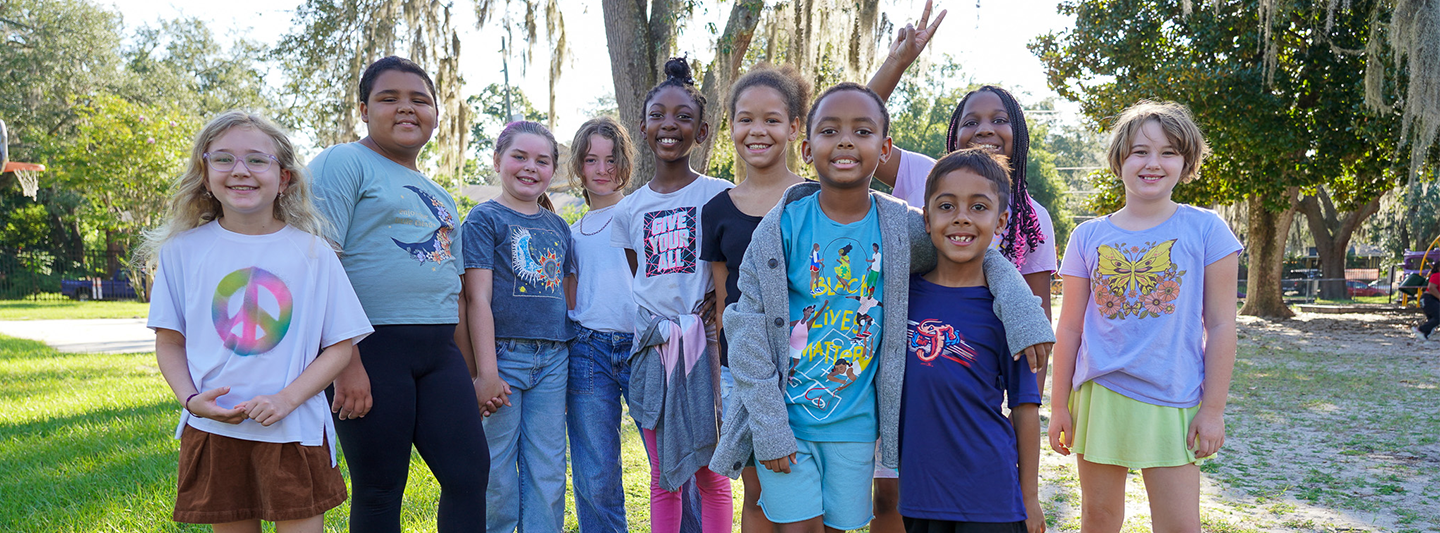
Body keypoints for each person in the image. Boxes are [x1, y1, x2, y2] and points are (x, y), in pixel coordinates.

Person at [709, 82, 1053, 533]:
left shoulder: (902, 227)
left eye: (862, 130)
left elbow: (973, 249)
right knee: (799, 528)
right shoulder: (780, 229)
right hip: (786, 419)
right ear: (808, 148)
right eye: (831, 130)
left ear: (884, 147)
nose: (847, 140)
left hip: (855, 425)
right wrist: (769, 424)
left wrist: (1022, 310)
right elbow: (745, 325)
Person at [144, 110, 374, 533]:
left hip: (293, 429)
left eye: (257, 159)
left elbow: (340, 345)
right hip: (214, 428)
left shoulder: (313, 253)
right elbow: (169, 340)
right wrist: (192, 400)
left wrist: (287, 399)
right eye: (224, 159)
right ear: (205, 171)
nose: (240, 171)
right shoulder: (182, 251)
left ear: (284, 177)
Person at [310, 56, 489, 533]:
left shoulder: (439, 192)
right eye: (389, 98)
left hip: (439, 355)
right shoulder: (342, 162)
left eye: (420, 100)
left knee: (470, 475)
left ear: (435, 113)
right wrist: (345, 361)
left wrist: (469, 373)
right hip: (370, 349)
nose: (406, 109)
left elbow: (453, 292)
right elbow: (319, 264)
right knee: (381, 489)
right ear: (364, 109)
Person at [1048, 101, 1240, 533]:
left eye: (1169, 152)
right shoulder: (1088, 236)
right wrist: (1058, 404)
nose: (1153, 163)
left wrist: (1213, 411)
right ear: (1119, 160)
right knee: (1098, 519)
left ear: (1186, 162)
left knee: (1178, 525)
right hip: (1101, 395)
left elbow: (1223, 325)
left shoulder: (1208, 230)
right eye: (1139, 151)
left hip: (1173, 397)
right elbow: (1071, 327)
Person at [611, 57, 734, 533]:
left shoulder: (719, 195)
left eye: (684, 117)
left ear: (701, 132)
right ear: (643, 127)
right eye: (659, 114)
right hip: (654, 350)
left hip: (706, 346)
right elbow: (640, 273)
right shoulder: (630, 210)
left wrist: (712, 310)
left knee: (711, 472)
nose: (670, 125)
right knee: (663, 477)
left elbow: (727, 267)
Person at [900, 148, 1049, 533]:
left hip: (990, 498)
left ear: (1000, 221)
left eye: (978, 207)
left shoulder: (1007, 310)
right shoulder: (900, 296)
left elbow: (1025, 408)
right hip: (920, 495)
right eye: (947, 206)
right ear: (927, 218)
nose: (962, 217)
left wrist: (1029, 497)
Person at [699, 62, 811, 533]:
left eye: (771, 119)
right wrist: (726, 369)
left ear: (794, 128)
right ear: (731, 127)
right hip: (744, 369)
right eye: (745, 119)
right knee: (758, 488)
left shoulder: (814, 197)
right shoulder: (717, 210)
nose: (757, 130)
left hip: (812, 363)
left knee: (809, 489)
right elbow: (725, 299)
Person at [461, 121, 576, 533]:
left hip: (554, 359)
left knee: (548, 466)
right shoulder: (484, 218)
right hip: (503, 356)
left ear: (553, 169)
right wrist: (485, 371)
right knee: (496, 467)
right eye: (519, 157)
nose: (530, 167)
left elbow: (565, 295)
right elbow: (477, 299)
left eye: (542, 160)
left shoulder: (558, 226)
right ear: (497, 160)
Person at [565, 116, 640, 533]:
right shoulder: (571, 232)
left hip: (645, 345)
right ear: (579, 167)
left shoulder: (641, 212)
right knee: (595, 469)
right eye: (592, 160)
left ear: (625, 164)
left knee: (668, 460)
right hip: (587, 349)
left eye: (612, 160)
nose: (602, 170)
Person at [1412, 263, 1440, 340]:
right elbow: (1431, 288)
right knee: (1438, 317)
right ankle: (1420, 329)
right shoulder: (1437, 275)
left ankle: (1423, 336)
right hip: (1428, 299)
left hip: (1432, 299)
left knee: (1433, 320)